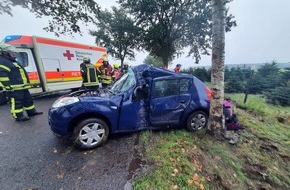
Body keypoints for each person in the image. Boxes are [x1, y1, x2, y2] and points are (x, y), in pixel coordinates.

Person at [0, 43, 43, 122]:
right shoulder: (2, 62)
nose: (14, 53)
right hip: (14, 88)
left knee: (28, 100)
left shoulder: (12, 61)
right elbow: (2, 76)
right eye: (11, 52)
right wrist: (8, 86)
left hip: (22, 86)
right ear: (4, 53)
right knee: (16, 102)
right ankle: (18, 116)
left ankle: (31, 112)